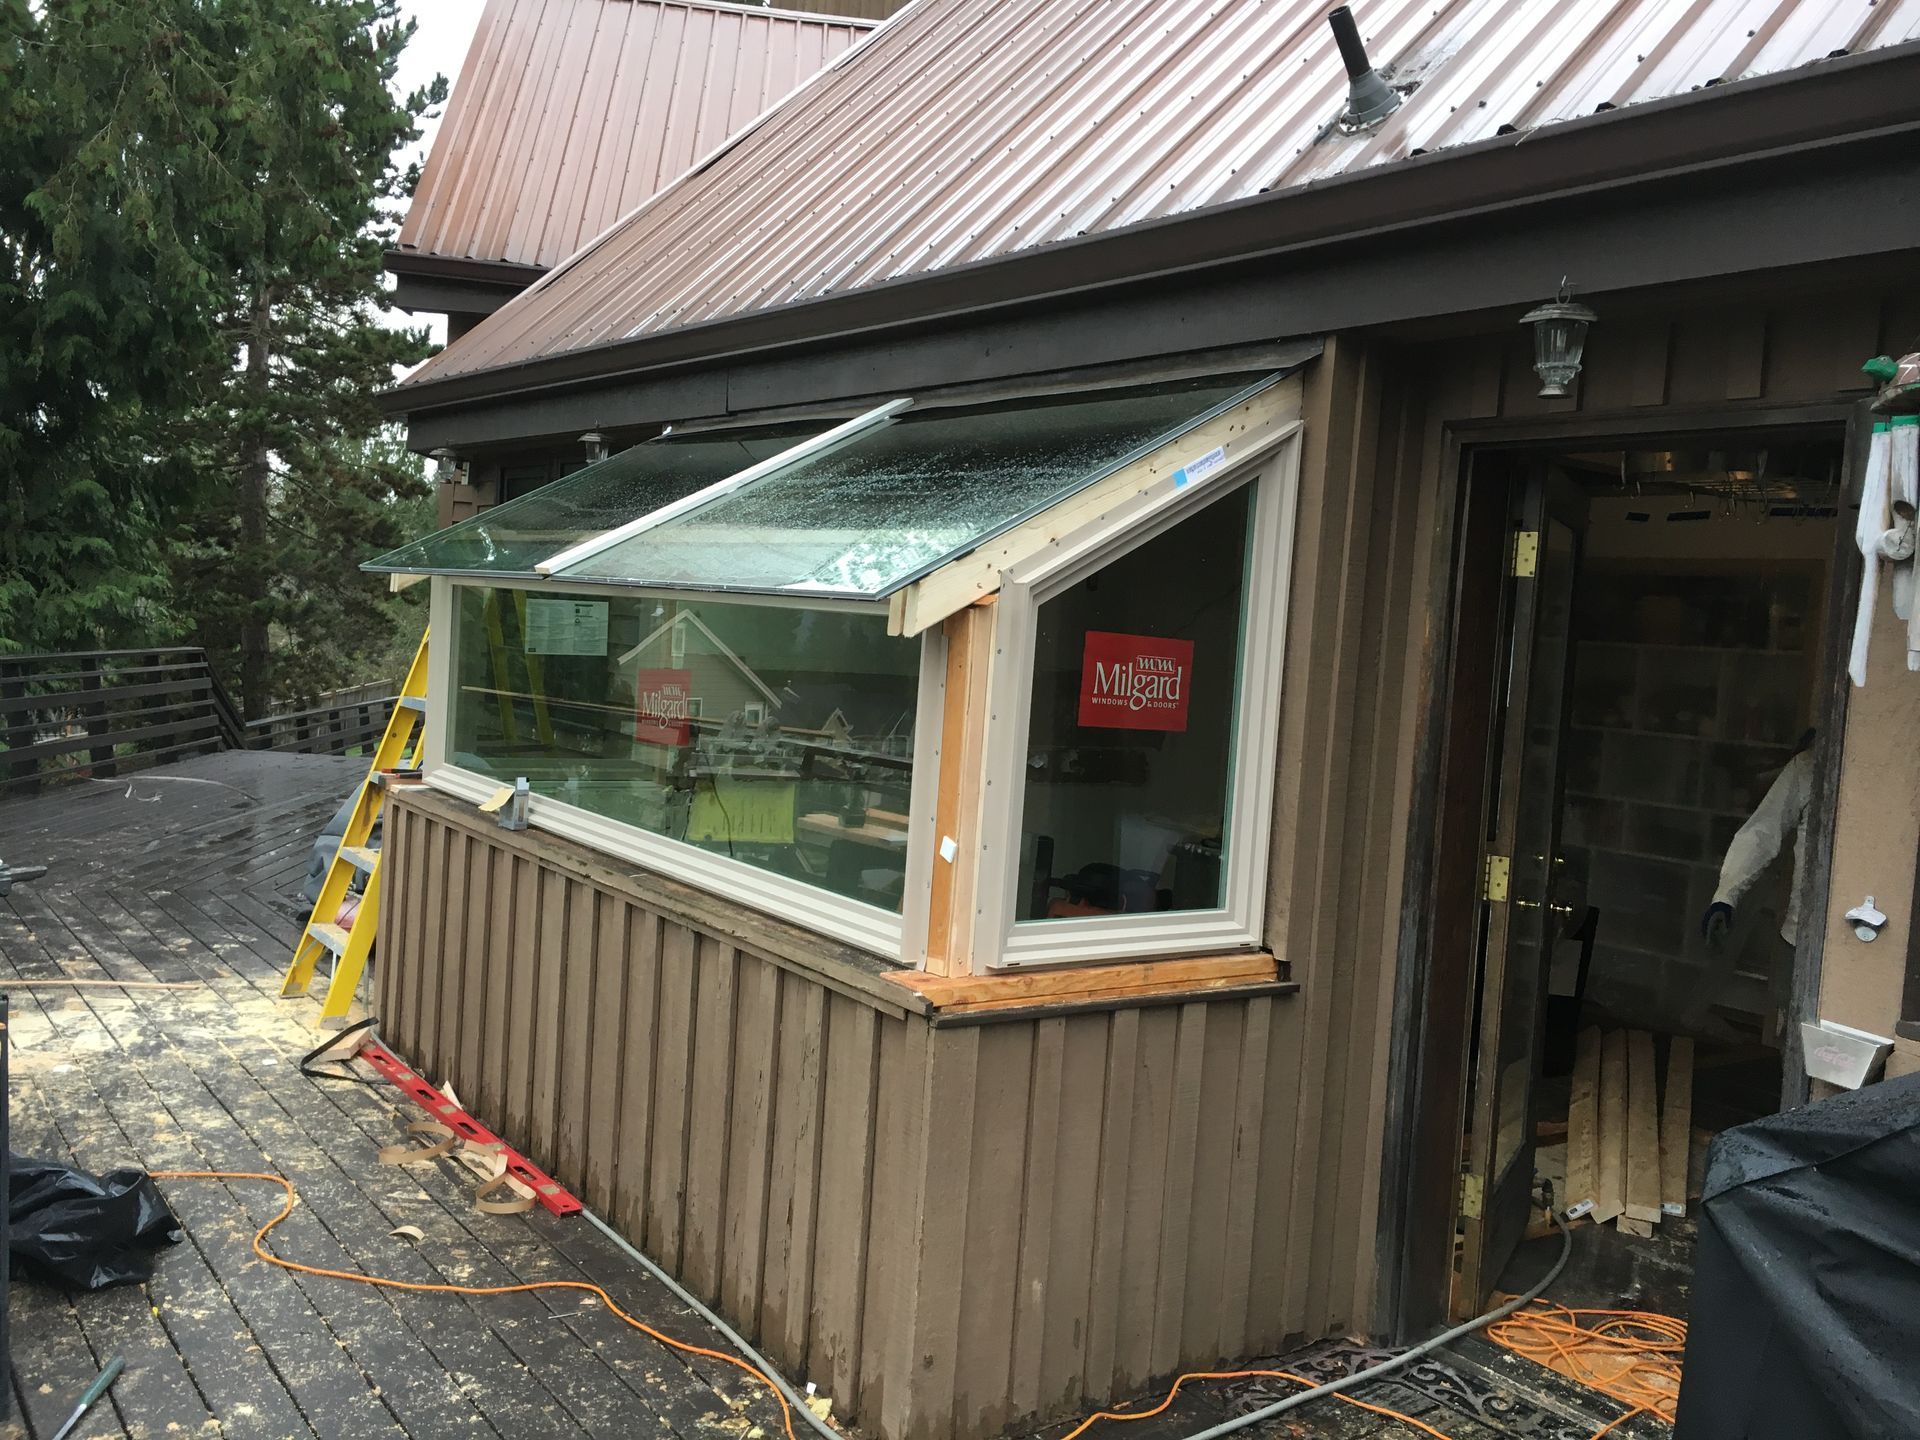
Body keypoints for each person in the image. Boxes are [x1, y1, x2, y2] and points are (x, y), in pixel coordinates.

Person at [1697, 730, 1815, 1034]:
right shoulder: (1810, 766)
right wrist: (1726, 896)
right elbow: (1760, 833)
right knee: (1794, 1033)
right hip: (1800, 935)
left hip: (1860, 941)